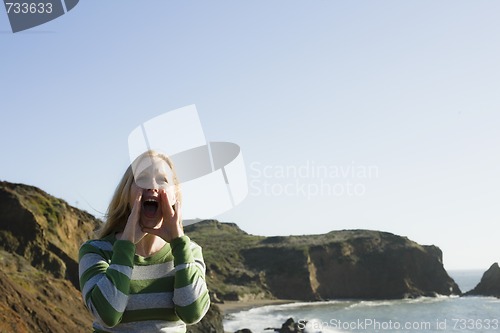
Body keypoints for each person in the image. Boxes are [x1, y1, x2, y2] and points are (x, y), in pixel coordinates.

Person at [78, 150, 210, 332]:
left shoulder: (189, 251)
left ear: (175, 195)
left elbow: (192, 313)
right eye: (142, 178)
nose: (152, 186)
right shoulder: (96, 251)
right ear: (126, 193)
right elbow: (108, 315)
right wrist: (126, 246)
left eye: (162, 179)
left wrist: (179, 243)